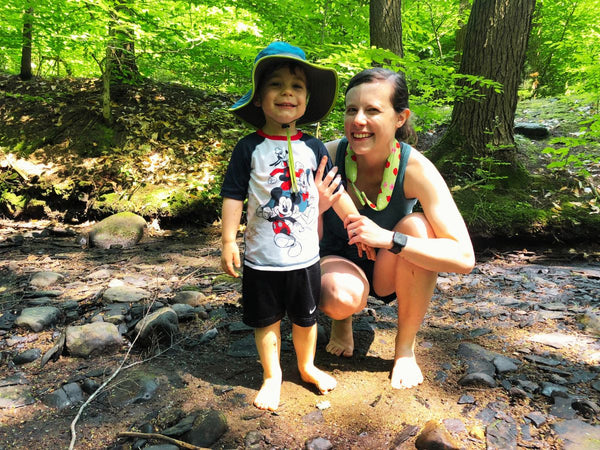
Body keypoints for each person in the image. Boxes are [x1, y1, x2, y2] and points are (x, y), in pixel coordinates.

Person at [220, 42, 362, 411]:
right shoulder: (248, 148)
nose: (287, 92)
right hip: (261, 259)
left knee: (305, 317)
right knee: (265, 320)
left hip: (305, 259)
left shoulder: (315, 147)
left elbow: (337, 190)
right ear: (257, 98)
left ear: (306, 99)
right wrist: (227, 241)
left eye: (297, 86)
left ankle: (306, 365)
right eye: (276, 84)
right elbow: (234, 196)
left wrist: (357, 225)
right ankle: (272, 375)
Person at [318, 67, 476, 389]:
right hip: (336, 260)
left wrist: (391, 239)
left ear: (400, 118)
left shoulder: (416, 168)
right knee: (339, 296)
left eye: (373, 110)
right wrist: (316, 210)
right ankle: (341, 322)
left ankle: (405, 348)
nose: (358, 121)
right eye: (351, 110)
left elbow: (464, 257)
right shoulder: (326, 156)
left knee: (418, 227)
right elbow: (292, 233)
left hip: (387, 265)